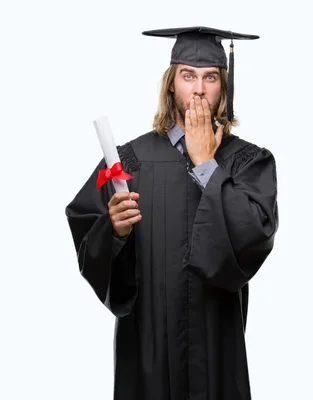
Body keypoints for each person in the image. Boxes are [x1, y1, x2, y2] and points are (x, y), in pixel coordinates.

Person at [65, 26, 278, 400]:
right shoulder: (129, 161)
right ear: (170, 85)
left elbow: (254, 236)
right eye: (188, 76)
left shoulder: (248, 162)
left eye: (210, 77)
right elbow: (86, 232)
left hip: (217, 348)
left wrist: (206, 162)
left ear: (223, 88)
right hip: (147, 347)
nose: (198, 89)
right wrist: (112, 232)